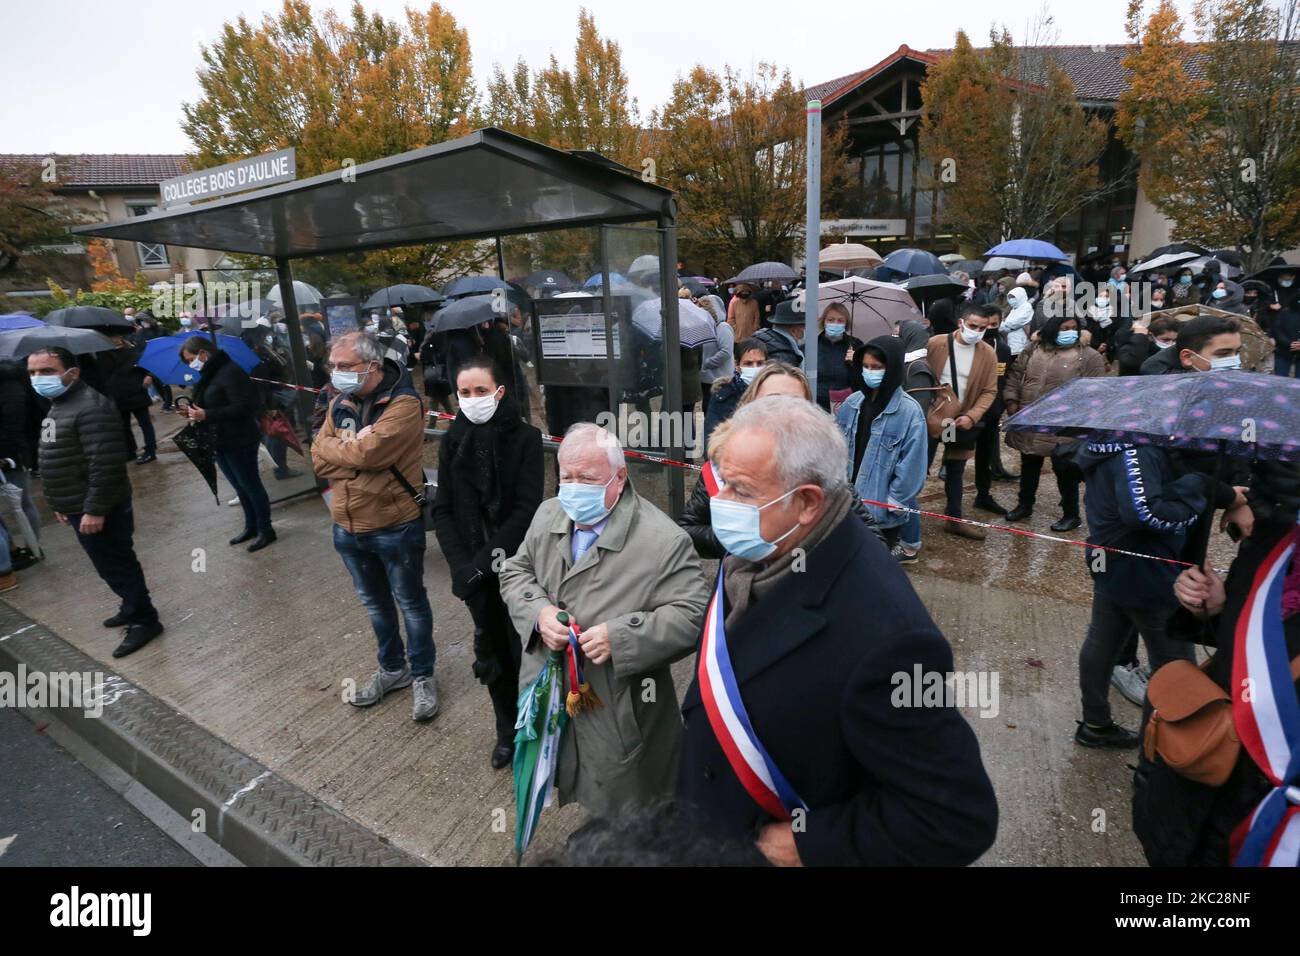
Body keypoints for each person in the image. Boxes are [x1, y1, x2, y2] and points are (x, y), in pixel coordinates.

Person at [674, 396, 998, 865]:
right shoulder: (763, 549)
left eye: (740, 491)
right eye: (722, 483)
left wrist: (808, 845)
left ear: (807, 502)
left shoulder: (889, 637)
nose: (720, 504)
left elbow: (954, 817)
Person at [498, 423, 711, 820]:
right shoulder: (549, 513)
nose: (575, 488)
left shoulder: (663, 541)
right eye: (567, 477)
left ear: (620, 477)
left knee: (628, 799)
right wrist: (539, 612)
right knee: (566, 767)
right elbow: (515, 572)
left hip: (618, 702)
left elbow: (693, 614)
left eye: (588, 478)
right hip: (550, 687)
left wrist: (622, 637)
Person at [1133, 459, 1300, 865]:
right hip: (1207, 772)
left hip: (1269, 820)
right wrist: (1212, 607)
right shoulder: (1276, 541)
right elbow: (1236, 641)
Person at [311, 332, 436, 721]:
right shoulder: (339, 401)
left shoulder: (404, 403)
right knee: (375, 605)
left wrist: (352, 453)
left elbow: (371, 452)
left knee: (410, 603)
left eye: (345, 366)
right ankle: (392, 669)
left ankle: (422, 675)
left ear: (372, 366)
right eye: (334, 366)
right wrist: (354, 454)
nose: (337, 373)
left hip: (393, 524)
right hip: (346, 525)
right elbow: (316, 456)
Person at [431, 357, 543, 767]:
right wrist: (462, 567)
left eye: (481, 391)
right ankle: (505, 731)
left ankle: (535, 726)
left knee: (524, 650)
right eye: (465, 392)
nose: (473, 399)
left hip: (515, 567)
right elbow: (442, 509)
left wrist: (483, 563)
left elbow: (526, 509)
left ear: (499, 392)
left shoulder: (525, 439)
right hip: (474, 575)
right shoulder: (452, 439)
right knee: (491, 651)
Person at [1070, 437, 1212, 748]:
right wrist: (1197, 497)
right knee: (1175, 666)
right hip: (1145, 568)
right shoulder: (1139, 449)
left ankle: (1096, 723)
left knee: (1102, 642)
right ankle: (1156, 750)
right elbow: (1145, 513)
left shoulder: (1109, 442)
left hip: (1113, 557)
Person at [27, 347, 163, 658]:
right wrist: (61, 502)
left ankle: (144, 620)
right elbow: (58, 457)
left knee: (117, 563)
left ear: (72, 372)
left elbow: (105, 463)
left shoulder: (90, 407)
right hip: (77, 503)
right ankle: (132, 607)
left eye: (46, 371)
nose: (37, 378)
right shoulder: (60, 404)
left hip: (98, 506)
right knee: (108, 564)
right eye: (32, 373)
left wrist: (94, 509)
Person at [682, 362, 813, 558]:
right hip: (741, 582)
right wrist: (740, 539)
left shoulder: (821, 463)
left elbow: (867, 536)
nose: (782, 411)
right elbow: (687, 532)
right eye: (772, 402)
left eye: (794, 403)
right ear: (750, 404)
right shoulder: (722, 466)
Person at [1003, 314, 1106, 531]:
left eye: (1073, 328)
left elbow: (1097, 393)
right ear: (1051, 329)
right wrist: (1012, 402)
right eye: (1064, 328)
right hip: (1030, 417)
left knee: (1064, 468)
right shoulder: (1034, 348)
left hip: (1065, 423)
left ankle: (1071, 514)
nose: (1069, 332)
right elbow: (1015, 374)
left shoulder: (1088, 356)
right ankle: (1024, 505)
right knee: (1029, 462)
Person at [178, 336, 276, 551]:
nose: (191, 364)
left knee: (251, 485)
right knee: (239, 486)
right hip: (220, 439)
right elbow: (211, 403)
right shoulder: (209, 374)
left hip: (240, 438)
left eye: (191, 359)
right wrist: (194, 412)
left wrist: (207, 414)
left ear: (204, 353)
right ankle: (251, 526)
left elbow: (243, 407)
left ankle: (265, 529)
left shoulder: (230, 371)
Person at [836, 336, 927, 551]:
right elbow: (836, 447)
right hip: (845, 509)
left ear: (892, 368)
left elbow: (912, 467)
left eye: (876, 367)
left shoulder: (909, 413)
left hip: (881, 516)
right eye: (866, 366)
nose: (870, 372)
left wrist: (892, 501)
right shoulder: (852, 403)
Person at [925, 309, 999, 540]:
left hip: (959, 421)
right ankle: (901, 517)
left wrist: (972, 416)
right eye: (972, 325)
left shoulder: (988, 353)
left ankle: (954, 518)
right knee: (918, 465)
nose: (976, 331)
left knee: (955, 470)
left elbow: (989, 390)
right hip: (933, 417)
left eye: (982, 328)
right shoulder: (936, 344)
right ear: (961, 323)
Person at [970, 304, 1014, 517]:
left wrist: (1001, 405)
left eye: (995, 325)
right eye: (987, 325)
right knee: (953, 452)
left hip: (991, 412)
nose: (991, 328)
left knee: (985, 453)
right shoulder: (967, 345)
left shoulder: (1003, 349)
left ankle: (983, 494)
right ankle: (951, 501)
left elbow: (1004, 377)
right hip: (965, 412)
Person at [0, 360, 42, 570]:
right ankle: (13, 549)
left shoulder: (9, 382)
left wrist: (7, 455)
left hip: (12, 453)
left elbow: (13, 423)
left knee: (22, 501)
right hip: (14, 449)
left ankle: (33, 547)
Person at [97, 331, 157, 464]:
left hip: (136, 393)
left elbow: (148, 366)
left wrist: (149, 376)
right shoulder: (102, 354)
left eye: (115, 335)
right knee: (123, 426)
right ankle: (130, 451)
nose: (113, 339)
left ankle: (151, 451)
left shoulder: (132, 351)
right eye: (110, 336)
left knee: (145, 424)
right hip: (117, 395)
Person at [702, 338, 768, 447]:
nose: (755, 368)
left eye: (760, 363)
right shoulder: (724, 394)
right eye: (748, 363)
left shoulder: (774, 392)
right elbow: (711, 436)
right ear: (737, 365)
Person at [1139, 313, 1243, 377]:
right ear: (1188, 357)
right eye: (1223, 354)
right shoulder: (1159, 375)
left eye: (1237, 352)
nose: (1235, 360)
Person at [813, 302, 861, 411]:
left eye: (840, 320)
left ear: (846, 323)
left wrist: (856, 362)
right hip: (817, 405)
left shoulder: (855, 345)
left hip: (846, 405)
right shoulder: (812, 345)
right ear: (824, 322)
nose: (835, 323)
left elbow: (862, 382)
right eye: (830, 320)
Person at [696, 293, 733, 416]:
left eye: (704, 308)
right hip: (706, 378)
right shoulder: (705, 327)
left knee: (717, 411)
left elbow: (726, 351)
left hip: (720, 378)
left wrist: (707, 363)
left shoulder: (722, 327)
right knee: (707, 408)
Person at [750, 299, 805, 366]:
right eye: (804, 326)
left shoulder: (761, 336)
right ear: (794, 330)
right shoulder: (785, 358)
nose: (806, 330)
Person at [1000, 286, 1034, 357]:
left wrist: (1002, 325)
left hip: (1020, 343)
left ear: (1020, 296)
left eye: (1013, 297)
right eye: (1009, 297)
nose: (1011, 299)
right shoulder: (1014, 309)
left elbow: (1015, 323)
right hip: (1012, 342)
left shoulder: (1026, 307)